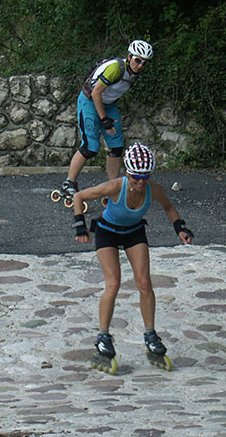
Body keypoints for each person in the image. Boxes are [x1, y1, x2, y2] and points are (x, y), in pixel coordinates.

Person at [72, 142, 194, 371]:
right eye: (136, 178)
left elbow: (168, 207)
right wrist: (80, 226)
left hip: (133, 232)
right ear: (127, 173)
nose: (140, 183)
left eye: (144, 178)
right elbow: (79, 197)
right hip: (107, 231)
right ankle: (103, 337)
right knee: (113, 283)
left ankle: (150, 335)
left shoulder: (153, 189)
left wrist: (180, 228)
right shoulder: (115, 187)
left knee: (145, 283)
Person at [61, 40, 154, 199]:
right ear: (129, 56)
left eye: (144, 63)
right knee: (90, 146)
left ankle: (114, 187)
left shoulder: (134, 73)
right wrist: (104, 120)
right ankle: (68, 184)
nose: (140, 65)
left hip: (108, 104)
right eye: (138, 60)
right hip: (89, 101)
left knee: (116, 146)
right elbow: (96, 93)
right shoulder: (115, 69)